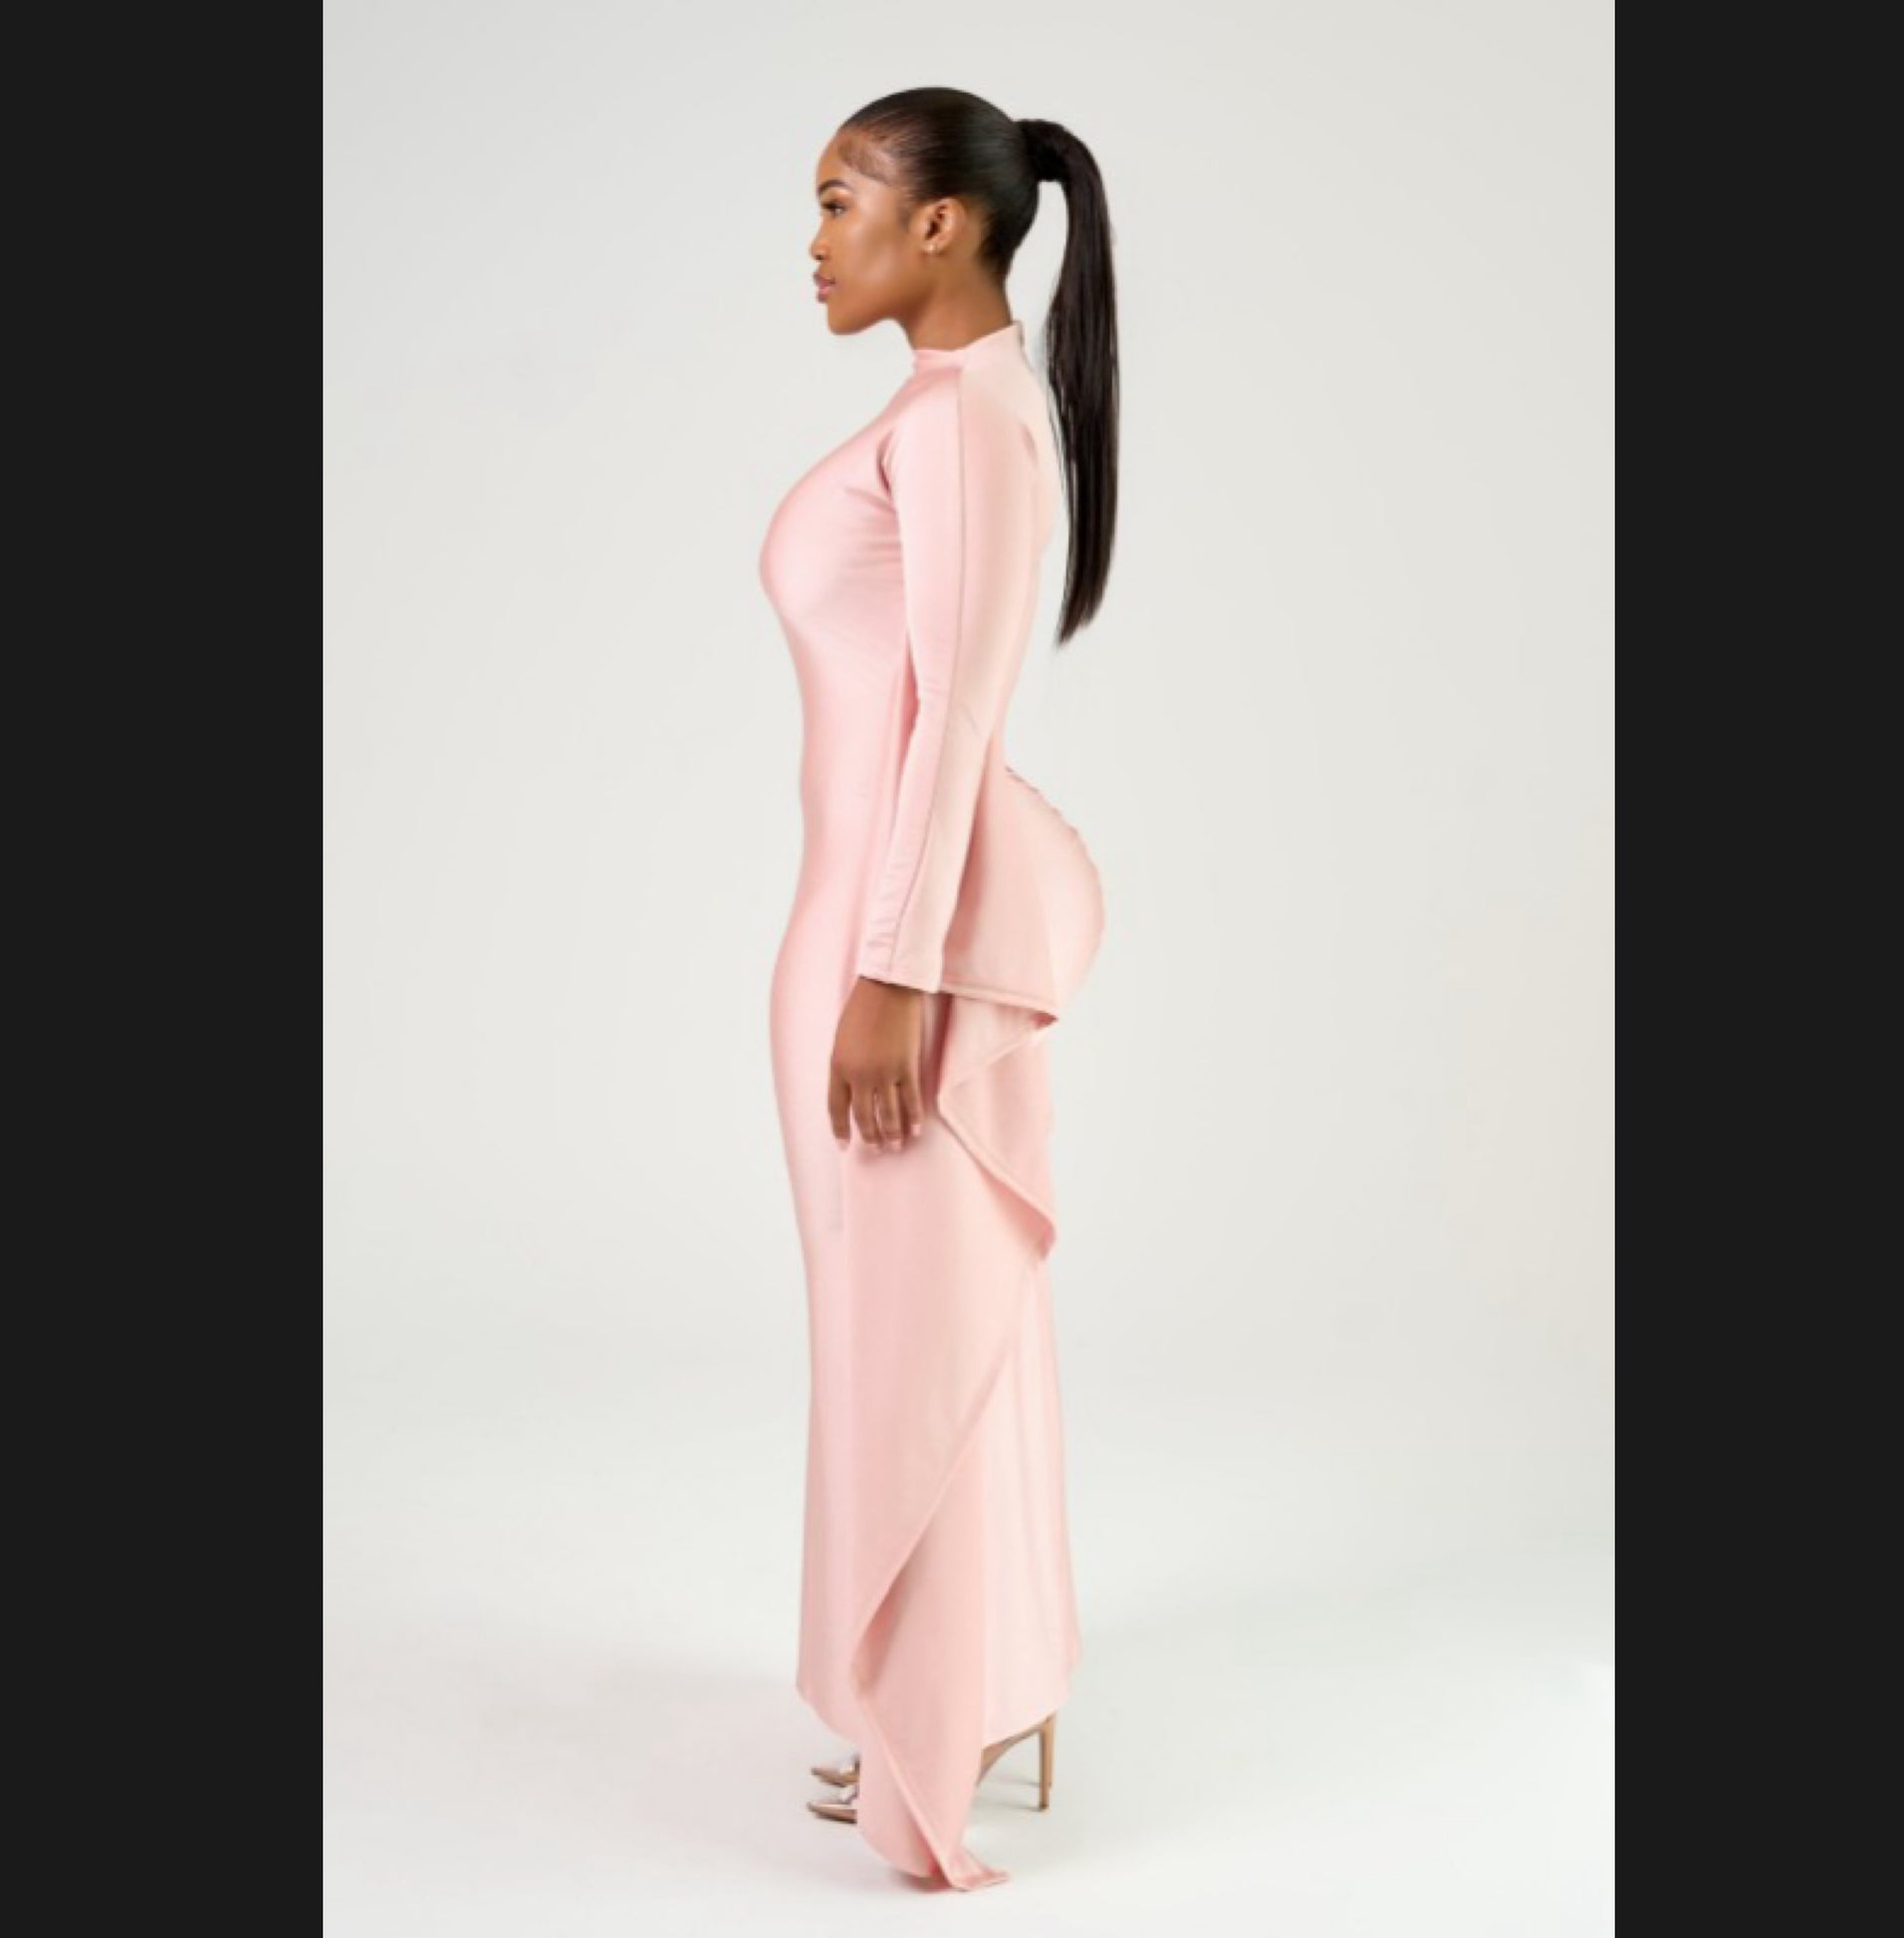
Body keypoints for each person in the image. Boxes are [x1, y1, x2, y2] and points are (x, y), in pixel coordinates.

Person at [759, 86, 1118, 1892]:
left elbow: (953, 715)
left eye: (840, 199)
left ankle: (947, 1706)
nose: (812, 239)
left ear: (941, 224)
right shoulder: (944, 409)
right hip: (865, 923)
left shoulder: (968, 418)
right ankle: (966, 1679)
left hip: (897, 944)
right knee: (911, 1329)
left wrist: (891, 973)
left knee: (917, 1340)